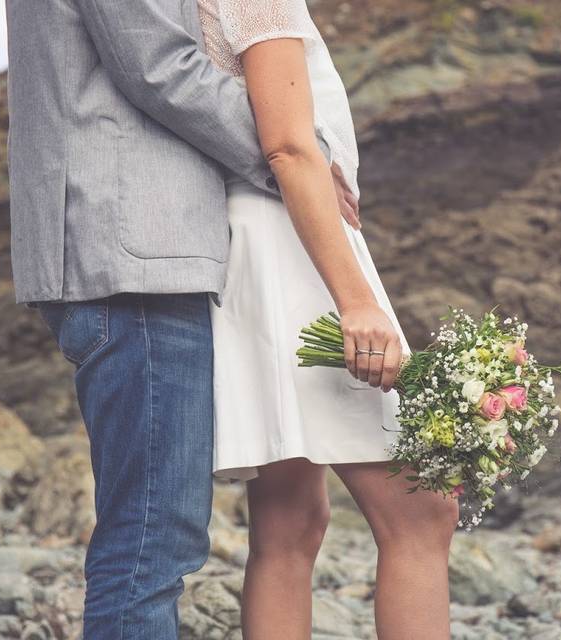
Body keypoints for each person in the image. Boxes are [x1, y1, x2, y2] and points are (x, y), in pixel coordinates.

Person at [196, 1, 459, 638]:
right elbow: (286, 145)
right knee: (421, 513)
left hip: (244, 247)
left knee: (288, 525)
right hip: (294, 250)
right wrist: (357, 300)